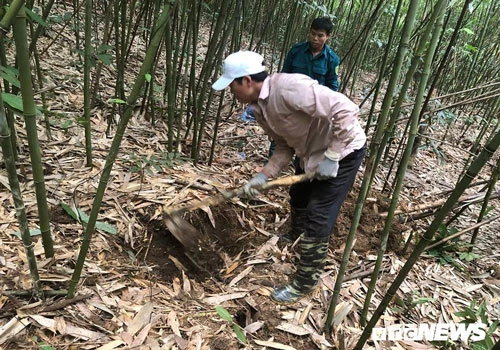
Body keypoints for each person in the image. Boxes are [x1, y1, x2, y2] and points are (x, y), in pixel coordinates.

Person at [212, 50, 366, 305]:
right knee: (299, 196)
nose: (231, 92)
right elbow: (284, 146)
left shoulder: (289, 88)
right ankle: (297, 234)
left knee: (319, 214)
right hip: (310, 154)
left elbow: (347, 110)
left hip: (344, 152)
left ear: (247, 81)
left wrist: (333, 155)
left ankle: (306, 280)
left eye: (232, 86)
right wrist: (263, 176)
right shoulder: (260, 108)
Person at [270, 16, 341, 236]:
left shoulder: (332, 60)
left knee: (308, 154)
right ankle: (275, 169)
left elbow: (332, 87)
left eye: (320, 35)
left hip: (313, 113)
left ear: (328, 37)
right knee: (282, 140)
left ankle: (307, 225)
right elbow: (283, 75)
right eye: (313, 33)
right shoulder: (296, 51)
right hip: (292, 106)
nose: (315, 38)